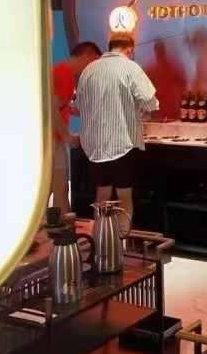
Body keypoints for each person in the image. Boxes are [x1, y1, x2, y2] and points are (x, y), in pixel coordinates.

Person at [77, 33, 159, 218]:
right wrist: (145, 107)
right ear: (130, 49)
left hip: (95, 143)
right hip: (123, 142)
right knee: (124, 196)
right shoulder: (130, 67)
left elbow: (80, 103)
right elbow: (149, 101)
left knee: (102, 193)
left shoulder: (89, 69)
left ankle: (101, 233)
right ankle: (122, 235)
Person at [51, 41, 101, 215]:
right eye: (94, 63)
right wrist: (67, 136)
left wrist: (72, 110)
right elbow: (51, 108)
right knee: (61, 190)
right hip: (54, 142)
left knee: (55, 189)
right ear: (87, 57)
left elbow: (56, 103)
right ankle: (64, 228)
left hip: (49, 141)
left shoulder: (60, 70)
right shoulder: (65, 73)